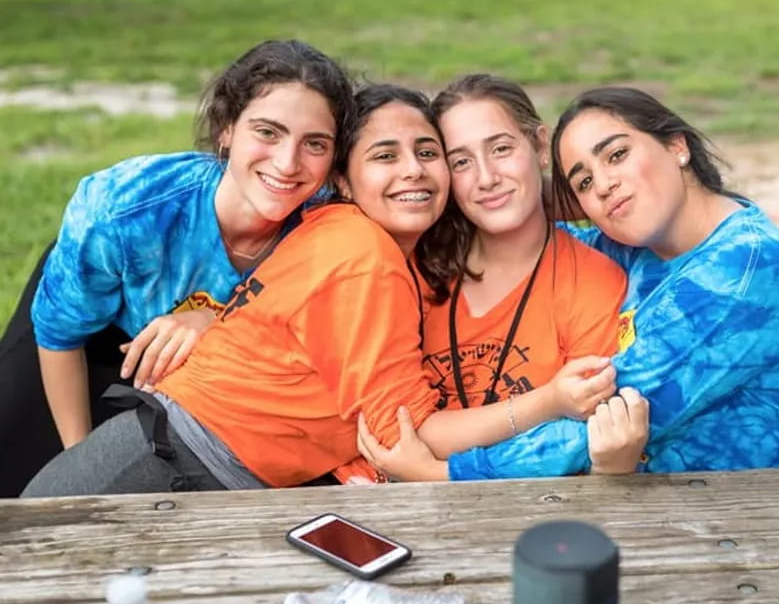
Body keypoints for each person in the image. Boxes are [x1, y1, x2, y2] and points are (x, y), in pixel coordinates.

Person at [22, 85, 615, 497]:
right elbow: (403, 435)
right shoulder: (367, 258)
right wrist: (547, 402)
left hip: (185, 458)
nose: (412, 169)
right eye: (384, 156)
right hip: (172, 467)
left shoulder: (343, 231)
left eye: (428, 154)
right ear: (342, 183)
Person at [358, 86, 779, 481]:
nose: (605, 185)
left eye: (616, 155)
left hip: (756, 518)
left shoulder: (742, 272)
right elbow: (536, 237)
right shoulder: (650, 241)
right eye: (585, 181)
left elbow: (595, 421)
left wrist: (442, 473)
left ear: (677, 145)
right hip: (660, 500)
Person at [0, 40, 356, 498]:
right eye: (268, 132)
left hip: (193, 361)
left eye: (315, 144)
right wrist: (80, 463)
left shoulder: (330, 227)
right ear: (227, 129)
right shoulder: (123, 209)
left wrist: (217, 320)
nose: (287, 164)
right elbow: (61, 337)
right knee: (20, 458)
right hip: (91, 324)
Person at [398, 74, 634, 463]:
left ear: (541, 146)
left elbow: (573, 443)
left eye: (502, 149)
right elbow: (392, 422)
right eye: (461, 161)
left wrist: (427, 466)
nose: (487, 178)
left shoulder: (593, 281)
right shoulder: (415, 265)